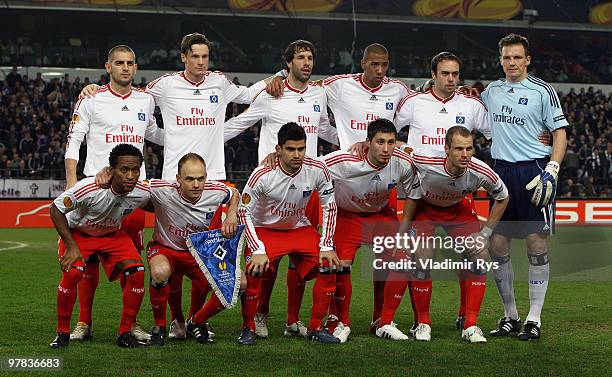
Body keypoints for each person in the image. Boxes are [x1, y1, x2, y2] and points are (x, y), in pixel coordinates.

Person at [81, 33, 276, 337]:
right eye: (195, 56)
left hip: (212, 179)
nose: (201, 62)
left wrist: (274, 79)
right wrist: (96, 88)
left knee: (206, 257)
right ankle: (175, 321)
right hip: (173, 183)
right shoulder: (165, 84)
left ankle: (198, 319)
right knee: (173, 251)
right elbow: (134, 96)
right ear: (183, 57)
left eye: (205, 56)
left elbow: (248, 95)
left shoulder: (219, 82)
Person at [224, 40, 337, 338]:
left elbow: (324, 128)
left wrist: (356, 142)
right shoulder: (272, 92)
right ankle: (259, 316)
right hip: (270, 186)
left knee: (301, 261)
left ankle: (293, 321)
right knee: (268, 265)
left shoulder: (319, 92)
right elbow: (240, 123)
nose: (307, 63)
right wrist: (202, 138)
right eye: (300, 58)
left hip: (305, 185)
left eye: (310, 57)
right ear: (287, 63)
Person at [65, 44, 164, 342]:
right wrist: (72, 187)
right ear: (108, 67)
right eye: (119, 63)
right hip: (95, 195)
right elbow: (73, 144)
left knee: (131, 263)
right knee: (87, 262)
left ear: (136, 67)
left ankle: (130, 324)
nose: (125, 68)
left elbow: (155, 135)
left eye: (130, 63)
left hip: (134, 196)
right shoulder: (91, 99)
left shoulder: (146, 101)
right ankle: (84, 323)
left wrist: (197, 132)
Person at [379, 126, 509, 343]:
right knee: (422, 258)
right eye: (458, 149)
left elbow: (503, 197)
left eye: (468, 149)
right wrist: (364, 145)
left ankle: (470, 325)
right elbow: (400, 147)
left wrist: (485, 234)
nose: (464, 154)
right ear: (446, 149)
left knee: (479, 255)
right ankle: (423, 322)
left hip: (459, 209)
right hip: (426, 209)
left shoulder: (481, 171)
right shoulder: (425, 159)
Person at [482, 33, 568, 341]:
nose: (512, 62)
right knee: (497, 246)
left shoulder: (543, 91)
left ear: (527, 59)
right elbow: (470, 112)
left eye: (517, 57)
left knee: (536, 243)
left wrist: (553, 170)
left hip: (533, 172)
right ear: (500, 59)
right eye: (507, 57)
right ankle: (511, 316)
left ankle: (534, 318)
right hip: (501, 172)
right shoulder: (491, 91)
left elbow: (559, 133)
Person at [237, 122, 339, 345]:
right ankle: (249, 327)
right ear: (278, 149)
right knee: (255, 269)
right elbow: (243, 213)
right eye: (291, 149)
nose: (297, 154)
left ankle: (315, 327)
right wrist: (257, 248)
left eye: (301, 149)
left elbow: (330, 206)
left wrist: (327, 244)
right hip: (265, 229)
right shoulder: (262, 174)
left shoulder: (317, 169)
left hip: (298, 228)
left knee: (329, 264)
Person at [321, 118, 417, 342]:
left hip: (381, 216)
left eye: (391, 142)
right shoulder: (346, 160)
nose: (386, 149)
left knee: (401, 260)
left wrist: (404, 231)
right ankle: (341, 322)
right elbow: (310, 168)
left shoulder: (402, 162)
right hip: (348, 216)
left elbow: (414, 193)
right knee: (340, 267)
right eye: (380, 142)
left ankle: (383, 321)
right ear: (368, 143)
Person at [49, 144, 151, 348]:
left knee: (138, 272)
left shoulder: (143, 192)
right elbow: (56, 209)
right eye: (124, 170)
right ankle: (62, 333)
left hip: (113, 235)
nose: (130, 175)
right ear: (111, 170)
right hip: (80, 234)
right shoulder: (89, 188)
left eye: (135, 170)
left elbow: (167, 196)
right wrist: (71, 245)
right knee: (73, 273)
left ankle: (124, 333)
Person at [146, 153, 239, 345]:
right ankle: (162, 325)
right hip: (165, 248)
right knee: (160, 272)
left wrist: (231, 214)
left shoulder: (216, 190)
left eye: (200, 178)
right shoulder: (161, 188)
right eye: (189, 179)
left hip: (197, 251)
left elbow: (234, 194)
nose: (196, 185)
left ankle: (195, 321)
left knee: (231, 282)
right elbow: (130, 185)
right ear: (178, 179)